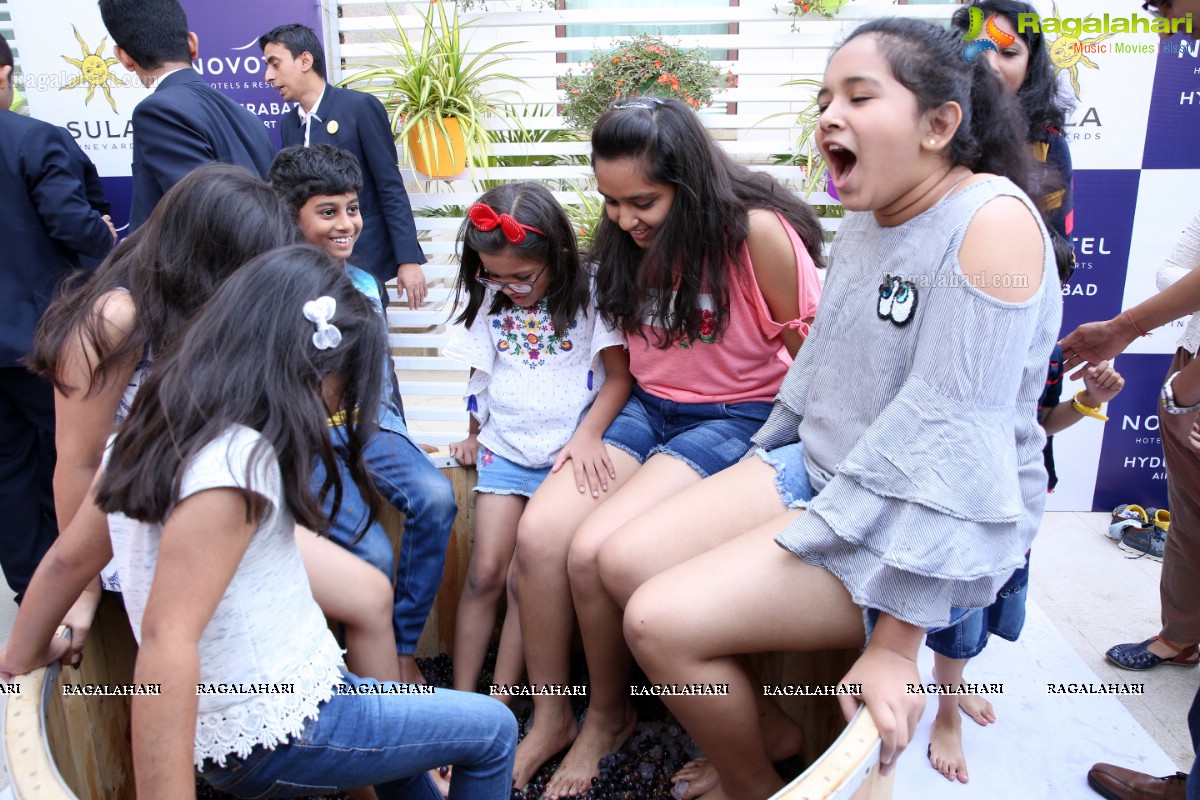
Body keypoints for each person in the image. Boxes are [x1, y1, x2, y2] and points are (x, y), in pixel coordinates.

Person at [593, 18, 1061, 800]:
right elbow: (818, 368)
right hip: (820, 469)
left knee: (656, 621)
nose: (828, 117)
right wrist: (753, 465)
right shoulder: (876, 209)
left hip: (905, 512)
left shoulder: (993, 226)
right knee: (617, 560)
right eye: (824, 99)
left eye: (858, 96)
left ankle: (750, 781)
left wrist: (896, 642)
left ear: (940, 125)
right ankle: (767, 725)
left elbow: (955, 443)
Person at [0, 246, 517, 798]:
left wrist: (20, 659)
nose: (335, 412)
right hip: (280, 730)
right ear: (311, 374)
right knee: (493, 731)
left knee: (406, 751)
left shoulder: (158, 422)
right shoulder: (233, 470)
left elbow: (65, 559)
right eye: (343, 390)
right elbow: (165, 645)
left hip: (299, 688)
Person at [511, 96, 825, 795]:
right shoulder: (625, 240)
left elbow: (815, 360)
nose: (625, 220)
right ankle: (554, 717)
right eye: (611, 202)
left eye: (643, 201)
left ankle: (609, 718)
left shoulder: (757, 235)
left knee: (595, 555)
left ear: (689, 182)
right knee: (539, 537)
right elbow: (623, 357)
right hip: (648, 409)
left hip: (737, 417)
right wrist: (590, 425)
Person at [30, 164, 399, 683]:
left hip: (225, 505)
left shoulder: (213, 307)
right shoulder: (114, 317)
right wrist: (82, 590)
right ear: (212, 254)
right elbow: (79, 460)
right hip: (143, 523)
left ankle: (391, 740)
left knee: (367, 594)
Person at [923, 231, 1125, 784]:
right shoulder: (958, 342)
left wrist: (1090, 403)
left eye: (1053, 289)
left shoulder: (1052, 357)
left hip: (1019, 501)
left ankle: (956, 684)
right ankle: (944, 713)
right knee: (958, 609)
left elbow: (1040, 426)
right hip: (962, 497)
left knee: (992, 602)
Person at [269, 144, 458, 685]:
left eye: (352, 208)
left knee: (436, 496)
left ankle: (400, 647)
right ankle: (363, 677)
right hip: (307, 441)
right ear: (291, 215)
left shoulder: (367, 285)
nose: (346, 223)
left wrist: (401, 434)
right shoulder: (274, 289)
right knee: (372, 550)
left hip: (372, 426)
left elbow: (382, 374)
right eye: (327, 211)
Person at [443, 182, 630, 700]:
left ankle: (499, 703)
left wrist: (591, 435)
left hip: (566, 457)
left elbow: (618, 376)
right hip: (504, 449)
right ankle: (462, 704)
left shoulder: (590, 291)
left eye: (522, 276)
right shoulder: (491, 295)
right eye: (494, 275)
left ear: (560, 256)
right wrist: (473, 435)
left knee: (524, 578)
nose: (509, 287)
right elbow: (483, 373)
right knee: (484, 573)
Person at [0, 31, 115, 605]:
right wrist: (109, 239)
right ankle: (79, 595)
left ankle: (32, 593)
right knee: (68, 462)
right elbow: (75, 224)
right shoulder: (34, 140)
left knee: (8, 475)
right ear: (5, 73)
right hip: (39, 340)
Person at [260, 23, 427, 309]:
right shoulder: (289, 124)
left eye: (275, 64)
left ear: (304, 60)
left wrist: (408, 259)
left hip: (364, 257)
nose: (268, 76)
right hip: (311, 265)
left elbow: (390, 186)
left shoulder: (360, 107)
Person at [98, 0, 275, 229]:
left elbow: (202, 215)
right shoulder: (246, 116)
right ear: (192, 43)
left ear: (123, 56)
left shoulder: (157, 112)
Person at [952, 0, 1074, 240]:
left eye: (1008, 53)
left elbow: (1059, 249)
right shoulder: (930, 129)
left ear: (1030, 66)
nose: (990, 66)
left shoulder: (1047, 144)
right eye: (976, 50)